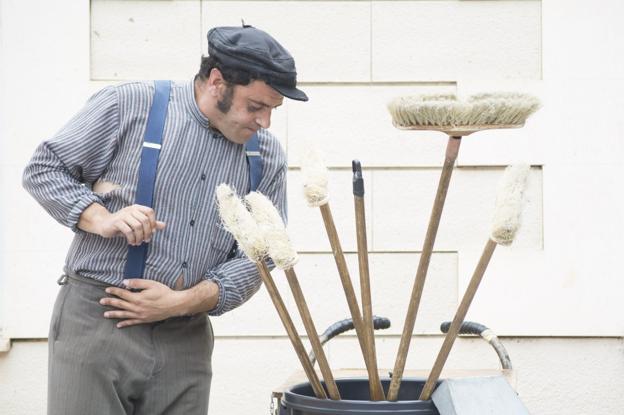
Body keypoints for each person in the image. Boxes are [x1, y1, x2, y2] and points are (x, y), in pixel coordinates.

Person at [22, 24, 308, 415]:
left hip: (186, 338)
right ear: (217, 83)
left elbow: (263, 253)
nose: (265, 122)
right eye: (255, 106)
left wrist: (182, 302)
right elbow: (44, 168)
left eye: (273, 109)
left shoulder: (267, 156)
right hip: (99, 319)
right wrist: (101, 218)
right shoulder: (130, 104)